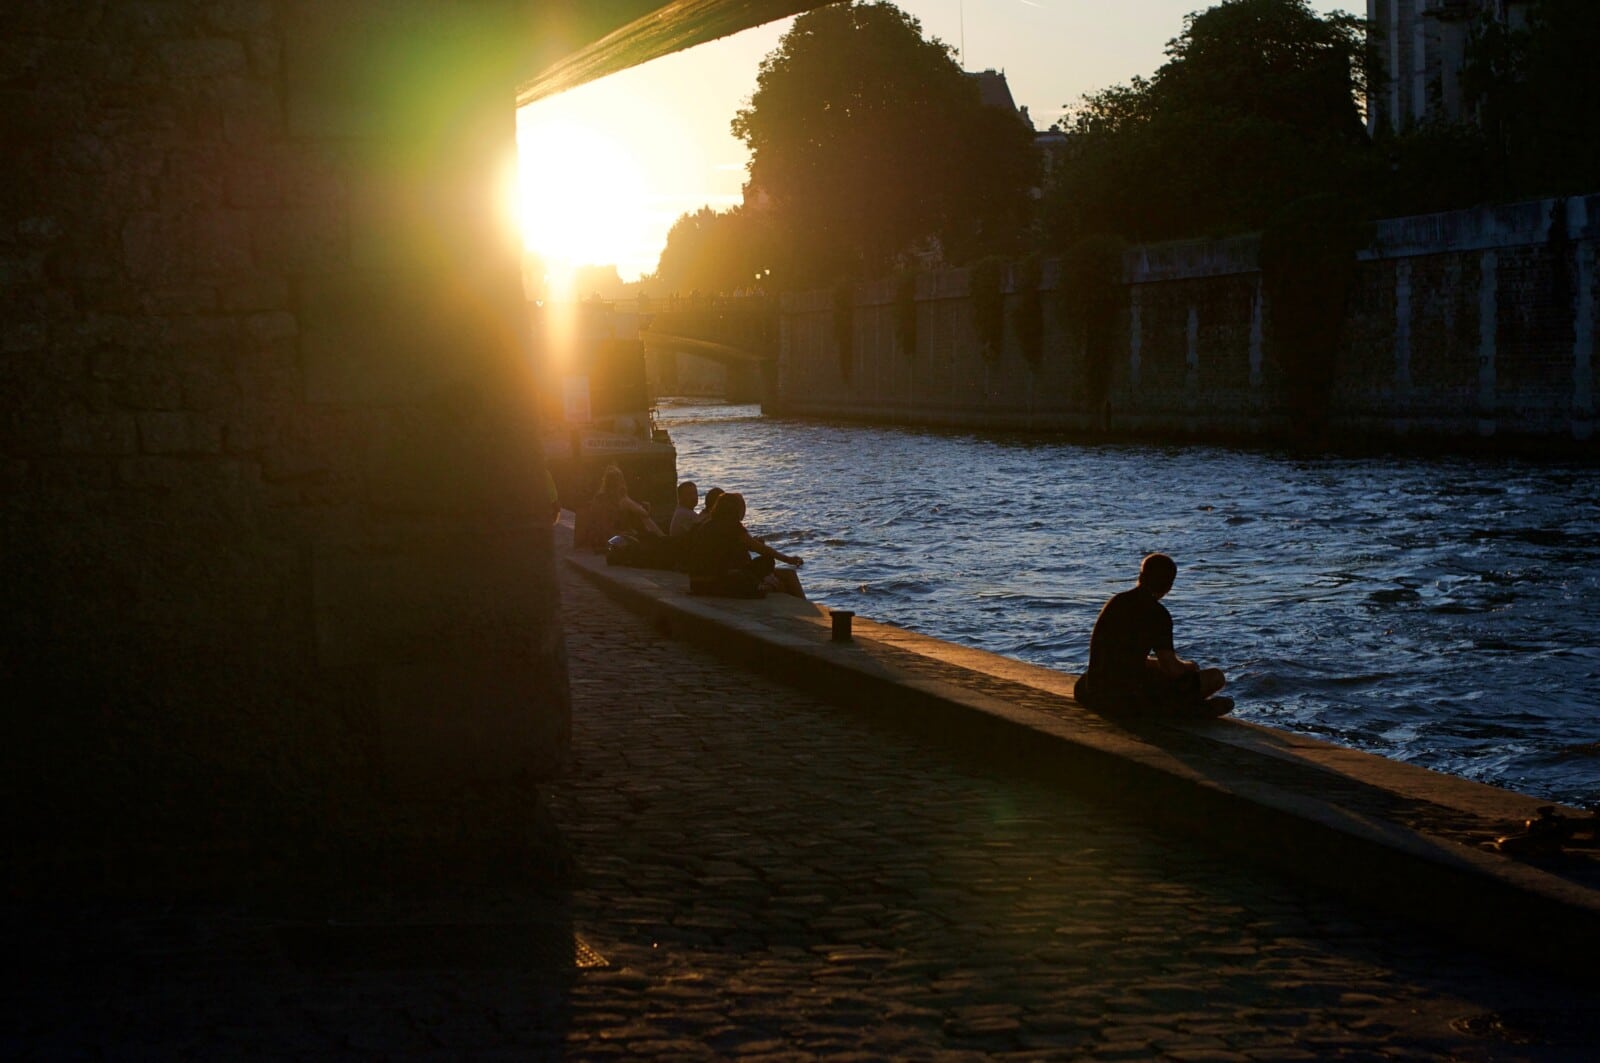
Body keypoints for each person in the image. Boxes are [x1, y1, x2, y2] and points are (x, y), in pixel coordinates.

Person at [1074, 553, 1231, 718]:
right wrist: (1189, 667)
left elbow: (1125, 656)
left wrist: (1159, 666)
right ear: (1169, 586)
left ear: (1141, 577)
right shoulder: (1158, 614)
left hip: (1092, 691)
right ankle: (1190, 709)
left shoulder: (1116, 601)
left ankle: (1188, 706)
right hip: (1125, 699)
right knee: (1215, 677)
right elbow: (1172, 669)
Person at [684, 492, 805, 598]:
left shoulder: (708, 524)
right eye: (742, 506)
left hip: (697, 583)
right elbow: (761, 549)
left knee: (761, 566)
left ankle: (766, 585)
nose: (744, 510)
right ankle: (767, 587)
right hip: (713, 583)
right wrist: (787, 559)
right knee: (767, 562)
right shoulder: (732, 526)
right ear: (734, 509)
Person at [577, 464, 661, 550]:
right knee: (644, 522)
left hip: (597, 539)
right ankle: (661, 537)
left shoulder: (598, 498)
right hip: (613, 540)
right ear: (620, 482)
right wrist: (646, 506)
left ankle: (660, 537)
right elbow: (644, 513)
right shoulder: (622, 499)